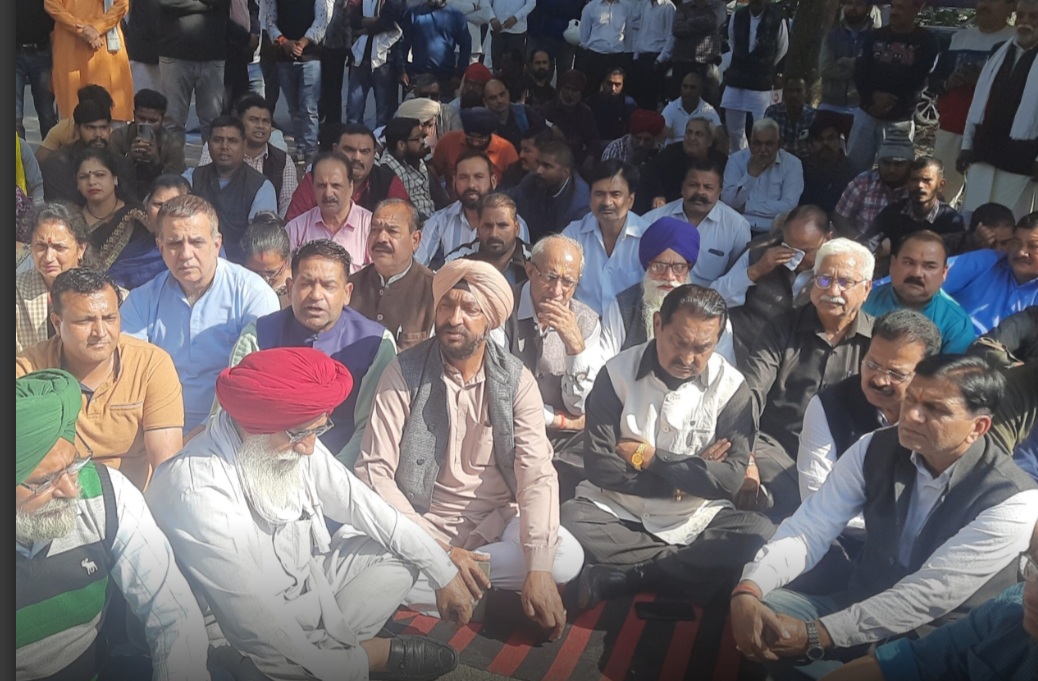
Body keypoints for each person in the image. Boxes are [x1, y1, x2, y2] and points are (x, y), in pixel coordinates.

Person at [147, 347, 469, 680]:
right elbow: (254, 623)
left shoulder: (294, 440)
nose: (311, 447)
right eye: (301, 434)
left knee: (400, 553)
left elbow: (367, 509)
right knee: (276, 667)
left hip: (307, 595)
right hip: (232, 635)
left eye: (319, 429)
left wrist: (443, 572)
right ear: (255, 426)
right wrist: (359, 665)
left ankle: (333, 657)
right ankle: (366, 656)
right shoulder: (197, 488)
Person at [730, 354, 1038, 680]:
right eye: (911, 399)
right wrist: (751, 586)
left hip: (935, 643)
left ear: (978, 427)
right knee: (764, 615)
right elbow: (811, 527)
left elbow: (930, 593)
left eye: (935, 409)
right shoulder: (875, 447)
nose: (912, 415)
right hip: (855, 605)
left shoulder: (1014, 498)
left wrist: (818, 634)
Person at [354, 260, 584, 640]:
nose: (454, 318)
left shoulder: (516, 381)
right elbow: (373, 471)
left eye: (469, 309)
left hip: (495, 526)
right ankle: (493, 604)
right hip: (422, 525)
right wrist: (439, 551)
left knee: (563, 558)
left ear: (490, 320)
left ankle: (450, 588)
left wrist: (538, 570)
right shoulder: (403, 372)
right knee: (363, 558)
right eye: (446, 305)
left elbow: (537, 475)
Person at [563, 284, 776, 608]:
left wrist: (651, 459)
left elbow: (730, 480)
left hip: (695, 516)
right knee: (572, 516)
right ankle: (694, 571)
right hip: (620, 510)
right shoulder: (616, 374)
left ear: (718, 340)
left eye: (702, 348)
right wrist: (689, 477)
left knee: (759, 532)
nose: (688, 358)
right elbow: (601, 468)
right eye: (679, 342)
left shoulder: (732, 387)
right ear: (658, 324)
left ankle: (632, 577)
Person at [15, 369, 211, 681]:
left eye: (73, 466)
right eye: (45, 482)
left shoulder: (106, 493)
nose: (71, 490)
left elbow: (174, 613)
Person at [228, 239, 396, 468]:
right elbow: (233, 413)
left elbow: (370, 427)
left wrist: (329, 477)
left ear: (347, 293)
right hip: (265, 465)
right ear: (290, 288)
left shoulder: (375, 344)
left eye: (328, 286)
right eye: (306, 284)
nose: (316, 295)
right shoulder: (259, 335)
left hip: (343, 470)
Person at [120, 194, 280, 434]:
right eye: (174, 244)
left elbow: (254, 381)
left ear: (216, 245)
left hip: (232, 429)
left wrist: (201, 436)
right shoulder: (142, 299)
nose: (185, 254)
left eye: (196, 242)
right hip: (155, 426)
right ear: (160, 247)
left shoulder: (253, 294)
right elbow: (130, 372)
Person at [742, 238, 876, 520]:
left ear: (867, 289)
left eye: (845, 282)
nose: (833, 291)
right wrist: (746, 458)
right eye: (824, 279)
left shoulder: (879, 340)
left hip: (848, 458)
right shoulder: (782, 327)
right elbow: (750, 394)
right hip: (777, 449)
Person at [16, 267, 185, 491]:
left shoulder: (151, 365)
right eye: (85, 321)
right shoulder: (28, 370)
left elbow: (167, 469)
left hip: (136, 502)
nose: (100, 332)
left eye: (109, 318)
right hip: (56, 499)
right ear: (56, 323)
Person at [796, 309, 941, 549]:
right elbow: (817, 498)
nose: (879, 380)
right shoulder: (829, 405)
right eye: (872, 364)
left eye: (896, 373)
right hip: (838, 538)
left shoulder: (941, 418)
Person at [821, 528, 1038, 681]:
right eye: (1036, 569)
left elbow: (929, 594)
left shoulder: (1007, 494)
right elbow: (918, 659)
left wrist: (815, 634)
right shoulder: (1009, 608)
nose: (1032, 596)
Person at [494, 234, 600, 460]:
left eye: (568, 282)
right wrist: (557, 419)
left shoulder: (587, 322)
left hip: (564, 439)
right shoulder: (502, 308)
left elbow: (579, 407)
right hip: (510, 429)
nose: (557, 291)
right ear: (530, 270)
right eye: (550, 278)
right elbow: (499, 394)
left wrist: (575, 349)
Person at [598, 214, 737, 363]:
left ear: (688, 268)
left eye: (679, 267)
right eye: (659, 266)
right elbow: (603, 362)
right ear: (647, 266)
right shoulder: (622, 306)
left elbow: (724, 368)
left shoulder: (712, 312)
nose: (669, 276)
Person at [712, 204, 832, 364]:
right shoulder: (759, 251)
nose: (796, 257)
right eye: (789, 248)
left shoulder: (837, 269)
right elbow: (714, 298)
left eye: (806, 251)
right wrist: (756, 270)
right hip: (741, 351)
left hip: (795, 362)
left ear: (827, 238)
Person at [928, 0, 1016, 205]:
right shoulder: (958, 38)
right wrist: (948, 83)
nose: (985, 5)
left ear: (1011, 7)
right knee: (941, 191)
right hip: (951, 127)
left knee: (982, 196)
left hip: (992, 133)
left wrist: (984, 82)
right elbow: (934, 82)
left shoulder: (1016, 41)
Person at [958, 0, 1038, 220]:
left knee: (1009, 223)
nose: (1025, 22)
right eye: (1021, 16)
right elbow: (978, 102)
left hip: (1022, 156)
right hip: (985, 149)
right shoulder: (999, 51)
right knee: (975, 218)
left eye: (1033, 17)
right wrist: (966, 146)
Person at [846, 0, 940, 173]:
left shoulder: (926, 40)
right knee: (853, 169)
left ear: (916, 9)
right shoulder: (875, 36)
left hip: (899, 119)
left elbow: (919, 79)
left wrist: (889, 103)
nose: (895, 12)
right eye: (894, 7)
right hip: (867, 114)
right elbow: (861, 72)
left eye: (901, 8)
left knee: (896, 172)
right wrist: (872, 101)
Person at [643, 157, 752, 288]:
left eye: (708, 187)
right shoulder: (653, 220)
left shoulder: (737, 226)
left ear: (719, 192)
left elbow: (736, 277)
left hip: (709, 298)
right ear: (682, 188)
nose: (700, 192)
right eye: (693, 185)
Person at [185, 116, 279, 264]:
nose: (224, 146)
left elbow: (261, 242)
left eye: (232, 141)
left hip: (241, 268)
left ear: (244, 145)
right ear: (208, 144)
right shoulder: (191, 178)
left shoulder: (261, 187)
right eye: (217, 140)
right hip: (193, 262)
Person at [863, 231, 976, 353]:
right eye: (908, 263)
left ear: (944, 273)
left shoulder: (956, 325)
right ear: (893, 264)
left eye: (929, 266)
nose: (917, 273)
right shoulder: (863, 301)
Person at [561, 159, 647, 316]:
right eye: (599, 194)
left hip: (631, 328)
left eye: (615, 194)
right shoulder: (573, 235)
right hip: (581, 324)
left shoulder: (647, 236)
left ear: (630, 200)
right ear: (590, 199)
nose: (607, 202)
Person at [349, 199, 436, 351]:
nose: (381, 238)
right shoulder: (350, 287)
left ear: (415, 240)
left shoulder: (434, 291)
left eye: (392, 231)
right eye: (375, 229)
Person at [419, 151, 529, 267]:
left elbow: (522, 270)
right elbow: (418, 264)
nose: (471, 184)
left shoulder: (514, 224)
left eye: (479, 177)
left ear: (493, 181)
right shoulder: (438, 221)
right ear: (454, 182)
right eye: (463, 178)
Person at [76, 148, 165, 290]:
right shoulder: (70, 222)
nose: (92, 181)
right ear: (77, 184)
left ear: (115, 179)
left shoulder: (136, 217)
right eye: (84, 177)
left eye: (100, 175)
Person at [198, 94, 299, 218]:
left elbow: (288, 205)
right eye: (253, 120)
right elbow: (202, 185)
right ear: (240, 123)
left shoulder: (283, 161)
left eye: (265, 121)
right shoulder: (220, 150)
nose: (260, 126)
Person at [286, 123, 411, 220]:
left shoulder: (387, 181)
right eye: (349, 150)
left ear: (374, 154)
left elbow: (406, 223)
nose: (357, 157)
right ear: (335, 150)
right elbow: (294, 224)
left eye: (365, 151)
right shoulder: (316, 179)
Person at [941, 211, 1038, 334]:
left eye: (1033, 246)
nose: (1020, 252)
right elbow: (927, 281)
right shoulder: (987, 261)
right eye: (1016, 242)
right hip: (952, 342)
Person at [17, 203, 91, 354]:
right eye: (41, 246)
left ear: (81, 249)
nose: (49, 257)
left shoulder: (102, 294)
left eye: (59, 247)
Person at [262, 0, 329, 164]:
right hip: (284, 58)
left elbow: (322, 20)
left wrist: (302, 43)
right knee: (294, 108)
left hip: (310, 57)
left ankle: (310, 149)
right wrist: (284, 42)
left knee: (309, 108)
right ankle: (300, 147)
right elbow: (270, 20)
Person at [43, 0, 133, 122]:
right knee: (72, 114)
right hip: (70, 48)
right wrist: (83, 30)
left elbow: (121, 4)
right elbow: (51, 5)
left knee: (111, 112)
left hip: (105, 47)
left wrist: (97, 28)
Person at [285, 152, 374, 273]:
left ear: (350, 186)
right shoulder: (295, 230)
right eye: (321, 186)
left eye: (336, 186)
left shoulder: (371, 227)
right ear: (312, 187)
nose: (328, 193)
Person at [155, 0, 231, 140]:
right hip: (174, 54)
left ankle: (210, 155)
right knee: (173, 122)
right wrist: (208, 5)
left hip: (213, 55)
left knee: (213, 123)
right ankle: (174, 156)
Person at [721, 0, 789, 153]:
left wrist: (766, 66)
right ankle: (739, 155)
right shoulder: (737, 15)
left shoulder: (777, 19)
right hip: (737, 78)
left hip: (760, 83)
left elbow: (782, 48)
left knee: (761, 126)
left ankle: (759, 156)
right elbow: (732, 43)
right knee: (733, 127)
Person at [41, 99, 135, 205]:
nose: (98, 134)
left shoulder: (120, 163)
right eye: (91, 128)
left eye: (103, 127)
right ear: (77, 129)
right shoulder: (57, 164)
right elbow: (61, 209)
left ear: (109, 129)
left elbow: (131, 203)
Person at [865, 157, 966, 255]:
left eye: (926, 180)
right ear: (907, 183)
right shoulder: (892, 212)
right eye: (914, 180)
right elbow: (868, 244)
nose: (919, 185)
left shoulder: (951, 220)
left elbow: (957, 258)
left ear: (941, 185)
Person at [721, 118, 805, 235]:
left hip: (774, 232)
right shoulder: (736, 160)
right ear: (750, 143)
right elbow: (727, 200)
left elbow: (789, 206)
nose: (762, 150)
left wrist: (747, 207)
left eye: (769, 144)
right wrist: (751, 175)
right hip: (737, 228)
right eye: (757, 143)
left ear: (779, 144)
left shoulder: (793, 164)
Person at [108, 89, 187, 203]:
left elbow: (174, 182)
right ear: (134, 115)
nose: (146, 124)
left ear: (163, 120)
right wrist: (129, 158)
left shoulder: (172, 143)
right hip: (122, 195)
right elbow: (110, 173)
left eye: (153, 121)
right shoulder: (119, 136)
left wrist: (156, 162)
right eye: (141, 118)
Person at [832, 131, 913, 242]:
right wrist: (860, 243)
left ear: (910, 166)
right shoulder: (864, 182)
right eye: (886, 163)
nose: (891, 170)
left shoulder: (917, 188)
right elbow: (840, 216)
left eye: (899, 164)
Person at [637, 115, 728, 213]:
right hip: (669, 207)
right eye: (689, 133)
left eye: (699, 134)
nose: (692, 138)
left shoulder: (720, 161)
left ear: (709, 141)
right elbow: (648, 172)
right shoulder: (671, 152)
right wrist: (658, 194)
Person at [507, 139, 591, 242]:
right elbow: (508, 198)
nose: (539, 170)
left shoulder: (579, 205)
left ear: (565, 172)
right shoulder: (533, 180)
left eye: (547, 166)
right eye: (538, 163)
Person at [445, 192, 532, 287]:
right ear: (478, 230)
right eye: (487, 226)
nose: (494, 234)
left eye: (502, 225)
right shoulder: (457, 260)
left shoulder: (534, 260)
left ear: (516, 229)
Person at [432, 107, 519, 195]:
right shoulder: (448, 141)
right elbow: (433, 173)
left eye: (481, 138)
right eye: (471, 137)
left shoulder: (506, 150)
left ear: (490, 135)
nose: (475, 143)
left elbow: (515, 185)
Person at [347, 0, 406, 128]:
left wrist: (364, 26)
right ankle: (353, 139)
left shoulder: (396, 2)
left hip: (384, 61)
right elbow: (353, 20)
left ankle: (381, 141)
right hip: (361, 58)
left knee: (384, 115)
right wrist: (372, 22)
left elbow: (386, 22)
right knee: (353, 112)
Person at [817, 0, 874, 125]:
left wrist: (844, 62)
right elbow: (825, 69)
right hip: (830, 104)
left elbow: (874, 69)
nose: (853, 8)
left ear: (869, 8)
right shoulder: (832, 35)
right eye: (849, 3)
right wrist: (859, 67)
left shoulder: (875, 37)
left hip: (861, 106)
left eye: (859, 4)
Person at [399, 0, 471, 97]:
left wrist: (459, 73)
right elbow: (403, 45)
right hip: (419, 76)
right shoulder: (413, 13)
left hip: (446, 78)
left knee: (444, 106)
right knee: (417, 106)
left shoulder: (456, 16)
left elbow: (466, 44)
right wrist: (402, 70)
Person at [380, 117, 441, 221]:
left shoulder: (415, 157)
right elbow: (405, 210)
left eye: (422, 137)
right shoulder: (387, 170)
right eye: (417, 139)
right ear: (401, 145)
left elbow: (438, 195)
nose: (423, 142)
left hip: (436, 218)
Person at [538, 69, 601, 169]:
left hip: (576, 161)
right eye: (567, 88)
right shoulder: (548, 109)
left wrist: (590, 156)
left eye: (575, 90)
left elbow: (594, 140)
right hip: (550, 160)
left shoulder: (585, 112)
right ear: (560, 88)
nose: (570, 94)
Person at [669, 0, 726, 107]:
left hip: (707, 62)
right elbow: (677, 28)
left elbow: (714, 22)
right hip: (682, 61)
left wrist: (689, 21)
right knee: (677, 102)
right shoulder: (683, 7)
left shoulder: (718, 6)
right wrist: (703, 25)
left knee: (709, 104)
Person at [799, 112, 858, 214]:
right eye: (819, 139)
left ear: (839, 142)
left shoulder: (851, 172)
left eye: (831, 138)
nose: (825, 143)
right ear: (811, 144)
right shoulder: (801, 168)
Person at [16, 0, 58, 140]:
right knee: (15, 117)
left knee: (47, 114)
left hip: (42, 53)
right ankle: (18, 154)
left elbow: (54, 24)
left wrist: (55, 59)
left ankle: (51, 153)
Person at [577, 0, 631, 100]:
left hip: (617, 55)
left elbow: (629, 33)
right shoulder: (591, 7)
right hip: (595, 56)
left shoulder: (626, 7)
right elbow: (584, 36)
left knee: (615, 93)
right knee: (590, 91)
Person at [627, 0, 675, 111]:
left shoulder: (668, 7)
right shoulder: (645, 4)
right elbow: (642, 32)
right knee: (639, 97)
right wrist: (636, 56)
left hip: (656, 58)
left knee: (651, 99)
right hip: (641, 57)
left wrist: (660, 59)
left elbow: (671, 36)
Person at [241, 211, 293, 308]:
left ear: (286, 262)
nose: (264, 280)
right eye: (255, 272)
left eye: (271, 272)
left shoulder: (297, 287)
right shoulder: (238, 286)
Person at [482, 78, 547, 152]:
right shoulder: (483, 123)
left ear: (508, 93)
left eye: (502, 94)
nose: (499, 100)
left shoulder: (525, 112)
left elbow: (545, 133)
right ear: (485, 101)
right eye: (493, 98)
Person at [661, 71, 721, 147]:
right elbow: (660, 137)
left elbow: (720, 139)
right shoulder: (670, 109)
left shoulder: (709, 111)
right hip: (673, 151)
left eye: (693, 88)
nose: (688, 91)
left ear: (701, 91)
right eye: (685, 87)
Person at [764, 77, 818, 159]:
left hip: (805, 162)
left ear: (806, 94)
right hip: (778, 160)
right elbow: (766, 142)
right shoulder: (773, 112)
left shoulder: (813, 115)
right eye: (790, 90)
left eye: (799, 91)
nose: (794, 95)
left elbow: (815, 147)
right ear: (784, 93)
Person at [601, 108, 666, 172]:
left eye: (647, 140)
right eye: (638, 138)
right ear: (631, 134)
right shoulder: (616, 149)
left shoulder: (661, 153)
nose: (641, 143)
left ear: (655, 138)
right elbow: (606, 176)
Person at [586, 69, 639, 145]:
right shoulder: (591, 102)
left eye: (617, 85)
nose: (613, 88)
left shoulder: (628, 104)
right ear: (603, 83)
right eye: (609, 84)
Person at [945, 201, 1018, 255]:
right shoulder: (945, 247)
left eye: (1004, 243)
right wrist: (973, 246)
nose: (998, 250)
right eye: (991, 245)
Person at [498, 125, 553, 190]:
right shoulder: (514, 171)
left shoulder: (554, 178)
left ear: (543, 152)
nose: (521, 155)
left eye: (527, 150)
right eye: (521, 149)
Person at [489, 0, 534, 69]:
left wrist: (516, 17)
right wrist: (492, 18)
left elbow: (531, 4)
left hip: (517, 31)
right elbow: (486, 2)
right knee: (497, 63)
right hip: (497, 29)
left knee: (516, 64)